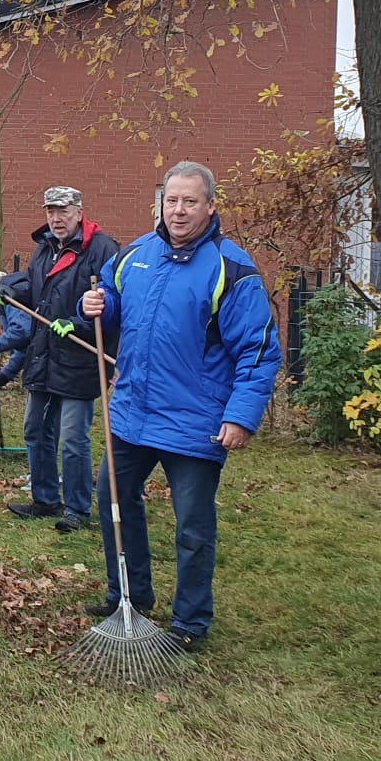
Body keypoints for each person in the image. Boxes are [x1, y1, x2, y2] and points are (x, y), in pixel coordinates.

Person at [78, 161, 282, 650]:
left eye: (191, 201)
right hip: (132, 412)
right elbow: (106, 303)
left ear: (210, 206)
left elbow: (257, 347)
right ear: (161, 204)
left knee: (193, 526)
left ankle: (189, 623)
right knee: (112, 502)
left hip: (196, 421)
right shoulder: (135, 256)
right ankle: (128, 594)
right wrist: (93, 307)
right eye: (172, 200)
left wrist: (240, 415)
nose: (180, 210)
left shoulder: (231, 269)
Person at [0, 187, 117, 533]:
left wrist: (77, 323)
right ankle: (45, 498)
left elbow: (112, 303)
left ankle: (77, 508)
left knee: (72, 438)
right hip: (43, 354)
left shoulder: (102, 249)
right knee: (35, 429)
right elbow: (34, 287)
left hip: (79, 359)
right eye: (50, 212)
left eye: (63, 211)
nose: (56, 219)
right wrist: (11, 291)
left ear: (79, 211)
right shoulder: (45, 248)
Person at [0, 269, 34, 394]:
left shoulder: (10, 300)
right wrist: (3, 377)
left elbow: (22, 333)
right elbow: (24, 349)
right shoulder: (16, 296)